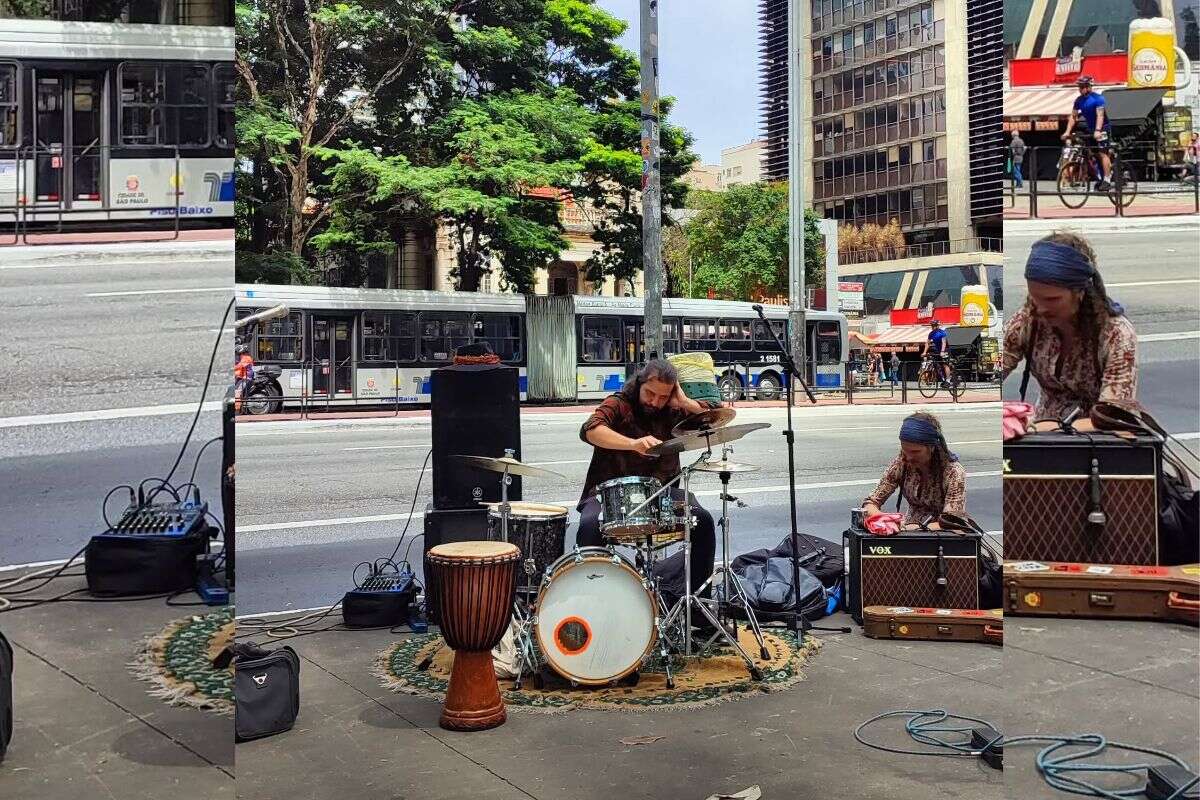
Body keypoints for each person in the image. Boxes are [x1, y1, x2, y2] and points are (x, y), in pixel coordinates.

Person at [577, 359, 718, 597]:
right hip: (609, 493)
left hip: (659, 495)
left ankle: (696, 603)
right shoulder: (620, 403)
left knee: (703, 521)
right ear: (639, 383)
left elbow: (716, 414)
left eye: (663, 396)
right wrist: (633, 444)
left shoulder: (673, 408)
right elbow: (590, 429)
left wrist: (684, 402)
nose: (655, 402)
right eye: (650, 394)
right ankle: (592, 600)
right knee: (591, 526)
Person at [1001, 231, 1136, 432]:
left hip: (1100, 441)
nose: (1039, 308)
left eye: (1051, 299)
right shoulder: (1028, 320)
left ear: (1079, 292)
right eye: (1034, 297)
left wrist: (1043, 429)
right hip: (1042, 435)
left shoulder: (1116, 335)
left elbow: (1114, 414)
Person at [862, 412, 966, 530]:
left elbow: (952, 521)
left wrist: (914, 529)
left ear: (931, 448)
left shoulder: (953, 472)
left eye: (915, 452)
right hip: (908, 531)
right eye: (905, 449)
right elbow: (870, 503)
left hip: (941, 537)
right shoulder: (901, 463)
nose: (908, 457)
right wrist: (884, 519)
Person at [1061, 75, 1112, 190]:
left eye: (1083, 86)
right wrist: (1067, 132)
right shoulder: (1078, 100)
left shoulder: (1098, 98)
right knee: (1094, 154)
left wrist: (1098, 130)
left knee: (1103, 153)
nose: (1080, 89)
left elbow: (1100, 115)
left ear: (1089, 87)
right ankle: (1100, 177)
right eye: (1079, 87)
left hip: (1103, 128)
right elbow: (1073, 117)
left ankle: (1107, 179)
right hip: (1091, 129)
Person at [923, 319, 951, 385]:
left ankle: (948, 380)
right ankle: (943, 379)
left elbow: (943, 342)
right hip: (938, 351)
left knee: (945, 364)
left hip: (945, 350)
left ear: (938, 326)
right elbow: (927, 343)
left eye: (934, 325)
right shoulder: (931, 334)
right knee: (938, 365)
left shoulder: (942, 332)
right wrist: (924, 352)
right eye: (932, 325)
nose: (933, 327)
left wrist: (942, 351)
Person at [233, 342, 255, 413]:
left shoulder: (246, 358)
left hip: (246, 378)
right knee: (237, 392)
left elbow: (240, 366)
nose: (236, 354)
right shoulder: (243, 357)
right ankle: (240, 409)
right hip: (242, 378)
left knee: (237, 392)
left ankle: (237, 410)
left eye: (237, 352)